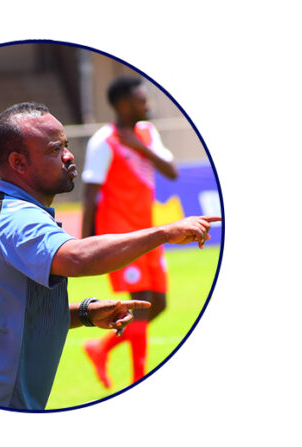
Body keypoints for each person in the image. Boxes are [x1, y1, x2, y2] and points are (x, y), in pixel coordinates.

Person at [0, 103, 219, 410]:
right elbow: (78, 258)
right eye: (54, 150)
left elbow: (9, 314)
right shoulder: (16, 218)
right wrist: (164, 233)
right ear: (18, 163)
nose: (68, 155)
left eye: (66, 145)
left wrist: (85, 313)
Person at [80, 76, 179, 388]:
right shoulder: (103, 141)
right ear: (123, 105)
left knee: (159, 303)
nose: (147, 105)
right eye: (141, 100)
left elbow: (172, 172)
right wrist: (84, 242)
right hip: (120, 234)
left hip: (150, 232)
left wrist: (138, 146)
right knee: (143, 301)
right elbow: (90, 194)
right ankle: (139, 380)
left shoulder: (148, 133)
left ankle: (100, 348)